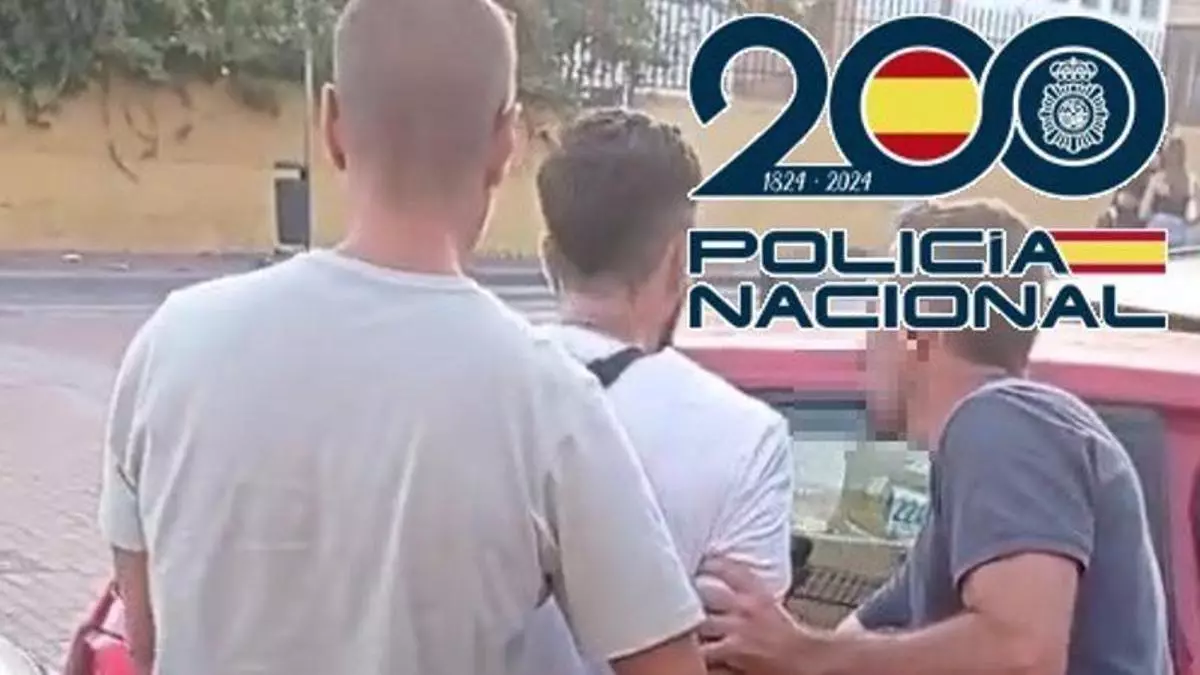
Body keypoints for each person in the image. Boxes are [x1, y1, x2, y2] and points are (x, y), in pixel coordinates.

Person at [96, 2, 710, 674]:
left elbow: (145, 641)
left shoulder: (170, 346)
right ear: (505, 143)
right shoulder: (547, 400)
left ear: (332, 123)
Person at [695, 199, 1171, 675]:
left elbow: (1020, 654)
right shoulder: (991, 454)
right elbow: (850, 646)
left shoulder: (1002, 421)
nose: (863, 352)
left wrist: (803, 653)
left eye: (876, 321)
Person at [519, 108, 796, 674]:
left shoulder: (475, 389)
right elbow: (741, 657)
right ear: (678, 258)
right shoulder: (746, 437)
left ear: (549, 259)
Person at [1140, 135, 1199, 247]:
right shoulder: (1190, 181)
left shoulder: (1157, 179)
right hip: (1178, 234)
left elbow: (1143, 213)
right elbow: (1194, 217)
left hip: (1160, 232)